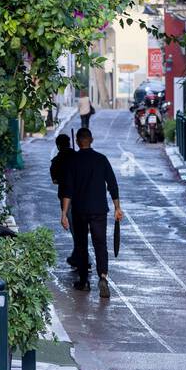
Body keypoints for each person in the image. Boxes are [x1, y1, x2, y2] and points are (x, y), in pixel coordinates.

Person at [61, 127, 122, 298]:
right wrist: (117, 207)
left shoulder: (73, 162)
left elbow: (68, 190)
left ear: (79, 142)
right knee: (100, 244)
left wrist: (64, 213)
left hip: (80, 211)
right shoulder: (101, 160)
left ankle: (84, 281)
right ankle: (103, 276)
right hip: (99, 210)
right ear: (91, 140)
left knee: (81, 245)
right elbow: (112, 184)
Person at [50, 134, 79, 267]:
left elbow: (55, 180)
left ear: (58, 145)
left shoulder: (57, 160)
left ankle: (82, 257)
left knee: (75, 228)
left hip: (66, 198)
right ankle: (78, 255)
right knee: (79, 229)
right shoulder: (78, 157)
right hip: (81, 196)